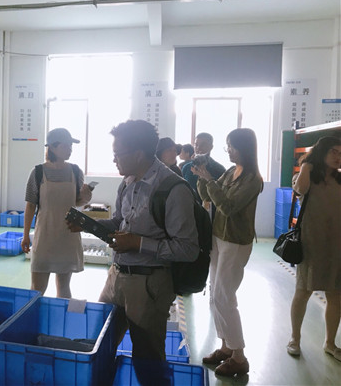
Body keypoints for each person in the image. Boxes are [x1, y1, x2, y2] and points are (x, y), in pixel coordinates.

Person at [82, 120, 198, 364]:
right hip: (116, 277)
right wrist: (86, 224)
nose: (114, 160)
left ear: (138, 154)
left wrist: (138, 244)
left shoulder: (173, 189)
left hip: (149, 285)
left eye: (118, 154)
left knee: (147, 357)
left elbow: (188, 249)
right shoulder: (127, 182)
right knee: (98, 343)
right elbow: (119, 222)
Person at [192, 128, 263, 377]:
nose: (229, 151)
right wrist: (202, 178)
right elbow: (207, 197)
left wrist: (210, 181)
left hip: (235, 241)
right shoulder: (231, 171)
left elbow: (228, 206)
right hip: (218, 237)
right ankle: (225, 347)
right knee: (215, 295)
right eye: (227, 146)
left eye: (231, 146)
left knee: (224, 296)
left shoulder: (253, 179)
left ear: (244, 148)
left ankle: (239, 357)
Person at [286, 136, 341, 361]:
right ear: (322, 152)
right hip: (311, 242)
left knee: (336, 295)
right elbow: (300, 189)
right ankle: (295, 339)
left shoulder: (339, 180)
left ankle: (330, 343)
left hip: (337, 244)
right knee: (303, 291)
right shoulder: (306, 175)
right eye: (334, 152)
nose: (338, 157)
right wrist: (306, 167)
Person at [21, 128, 92, 298]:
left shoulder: (75, 171)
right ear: (52, 147)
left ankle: (62, 315)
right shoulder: (38, 172)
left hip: (67, 235)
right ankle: (32, 315)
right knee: (37, 289)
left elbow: (76, 202)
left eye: (71, 146)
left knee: (64, 288)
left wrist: (86, 198)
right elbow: (30, 206)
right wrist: (25, 235)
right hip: (45, 236)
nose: (70, 149)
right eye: (66, 145)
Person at [182, 132, 226, 203]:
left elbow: (221, 195)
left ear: (211, 147)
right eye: (196, 145)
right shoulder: (187, 167)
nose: (198, 148)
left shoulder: (218, 169)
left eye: (203, 145)